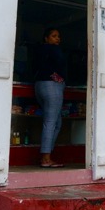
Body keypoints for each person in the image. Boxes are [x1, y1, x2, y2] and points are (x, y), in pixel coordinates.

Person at [34, 28, 67, 168]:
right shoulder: (53, 49)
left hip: (39, 86)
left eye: (58, 36)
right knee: (51, 122)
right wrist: (59, 78)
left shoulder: (38, 51)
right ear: (46, 38)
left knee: (56, 122)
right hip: (51, 86)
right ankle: (46, 159)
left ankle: (48, 154)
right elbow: (61, 64)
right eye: (54, 36)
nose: (57, 39)